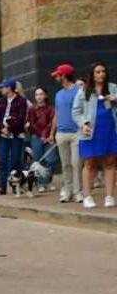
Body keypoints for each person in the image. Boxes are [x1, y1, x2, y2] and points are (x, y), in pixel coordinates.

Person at [72, 61, 117, 209]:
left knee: (110, 162)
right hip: (90, 131)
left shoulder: (113, 88)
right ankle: (87, 196)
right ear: (92, 74)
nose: (101, 74)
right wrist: (83, 124)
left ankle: (109, 196)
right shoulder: (84, 91)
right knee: (90, 163)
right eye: (98, 72)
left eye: (103, 71)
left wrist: (115, 99)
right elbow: (76, 112)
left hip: (110, 129)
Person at [50, 63, 83, 203]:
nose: (56, 77)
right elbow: (56, 114)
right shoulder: (58, 94)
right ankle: (67, 191)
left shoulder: (79, 91)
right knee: (65, 165)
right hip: (61, 133)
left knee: (76, 164)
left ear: (64, 76)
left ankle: (78, 192)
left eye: (58, 75)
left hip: (77, 133)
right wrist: (52, 132)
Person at [0, 79, 28, 194]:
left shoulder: (21, 101)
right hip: (3, 135)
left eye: (3, 87)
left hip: (16, 135)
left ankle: (16, 185)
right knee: (2, 160)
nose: (1, 89)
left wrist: (10, 129)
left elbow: (21, 118)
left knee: (15, 160)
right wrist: (1, 128)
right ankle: (1, 186)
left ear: (9, 88)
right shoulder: (1, 101)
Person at [26, 87, 55, 193]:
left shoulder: (51, 108)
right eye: (37, 94)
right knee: (38, 160)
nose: (39, 97)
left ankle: (47, 181)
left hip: (49, 137)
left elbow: (52, 122)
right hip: (36, 137)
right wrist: (41, 135)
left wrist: (47, 135)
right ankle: (41, 183)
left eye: (41, 94)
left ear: (45, 95)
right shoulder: (32, 109)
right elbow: (32, 124)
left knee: (51, 159)